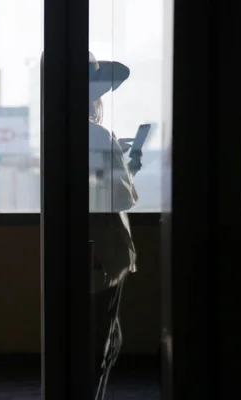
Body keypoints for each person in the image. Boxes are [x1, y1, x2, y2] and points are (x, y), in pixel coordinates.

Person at [87, 51, 141, 400]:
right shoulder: (96, 134)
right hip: (103, 251)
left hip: (90, 247)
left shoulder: (65, 132)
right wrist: (126, 166)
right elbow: (120, 198)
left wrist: (117, 164)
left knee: (100, 340)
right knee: (101, 344)